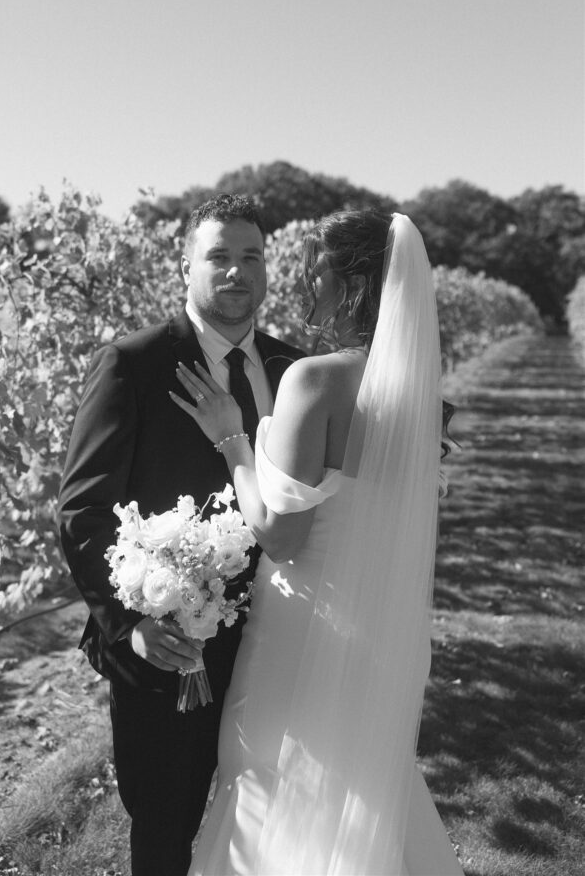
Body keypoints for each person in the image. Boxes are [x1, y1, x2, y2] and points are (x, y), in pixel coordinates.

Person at [171, 210, 465, 875]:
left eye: (317, 267)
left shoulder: (317, 378)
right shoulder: (416, 394)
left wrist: (233, 442)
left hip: (303, 628)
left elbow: (281, 535)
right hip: (379, 628)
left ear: (350, 281)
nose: (307, 278)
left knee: (275, 780)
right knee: (359, 785)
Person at [57, 194, 303, 876]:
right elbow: (82, 509)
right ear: (185, 266)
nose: (235, 272)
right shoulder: (132, 363)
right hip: (170, 649)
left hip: (282, 644)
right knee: (165, 829)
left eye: (250, 256)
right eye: (218, 256)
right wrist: (127, 626)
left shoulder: (294, 370)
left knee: (274, 825)